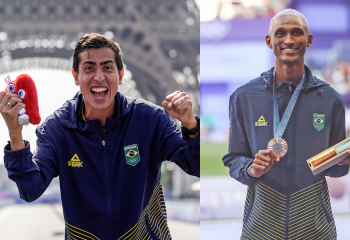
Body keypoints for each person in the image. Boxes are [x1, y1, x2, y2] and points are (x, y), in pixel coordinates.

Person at [0, 33, 200, 240]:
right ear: (76, 77)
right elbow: (30, 189)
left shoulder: (151, 119)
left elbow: (197, 166)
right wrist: (15, 133)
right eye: (89, 68)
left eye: (107, 67)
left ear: (120, 75)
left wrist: (191, 126)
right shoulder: (57, 129)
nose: (98, 77)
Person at [222, 9, 350, 240]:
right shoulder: (244, 97)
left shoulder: (331, 99)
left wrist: (346, 159)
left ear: (309, 40)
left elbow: (335, 167)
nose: (289, 40)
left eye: (296, 33)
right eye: (280, 33)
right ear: (269, 41)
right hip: (261, 229)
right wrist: (252, 168)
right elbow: (233, 159)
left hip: (315, 229)